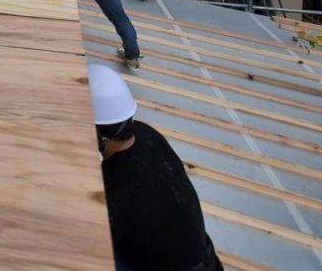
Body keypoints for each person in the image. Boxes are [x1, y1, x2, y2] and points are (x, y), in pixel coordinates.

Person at [89, 64, 224, 271]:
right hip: (204, 260)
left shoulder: (120, 188)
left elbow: (86, 242)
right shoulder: (145, 133)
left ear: (97, 133)